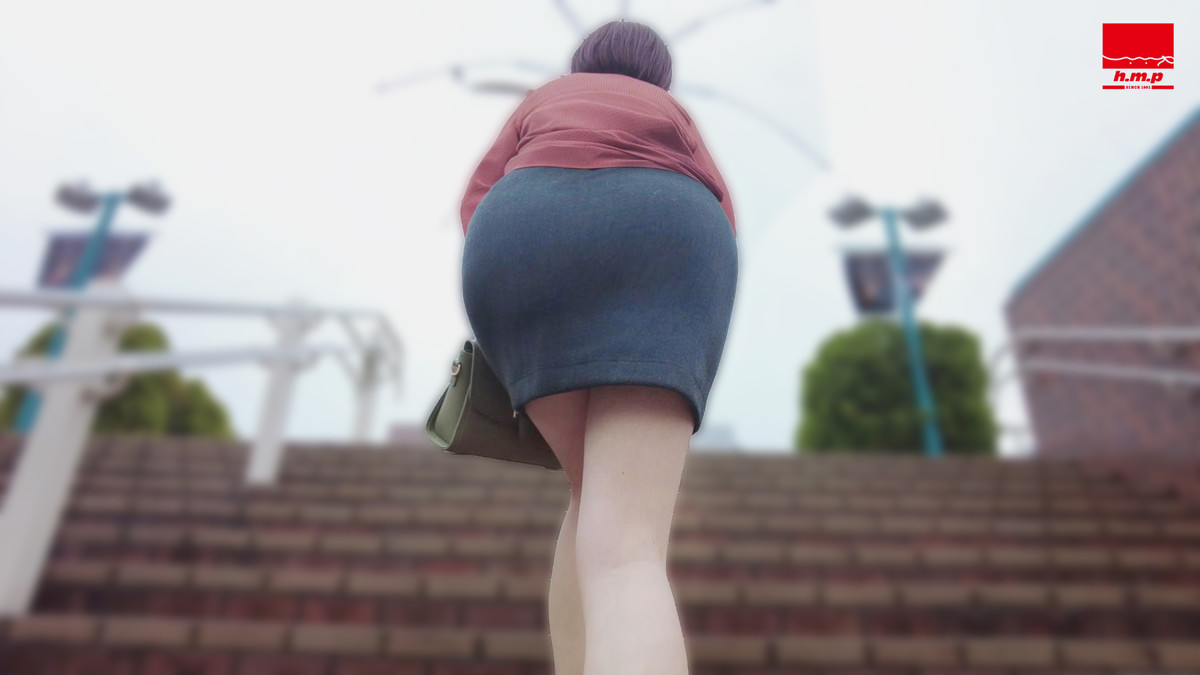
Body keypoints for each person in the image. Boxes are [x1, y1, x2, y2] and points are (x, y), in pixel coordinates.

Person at [459, 20, 738, 675]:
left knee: (593, 500)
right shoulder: (671, 111)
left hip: (520, 237)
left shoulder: (544, 98)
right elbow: (721, 210)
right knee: (628, 546)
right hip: (663, 236)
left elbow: (477, 200)